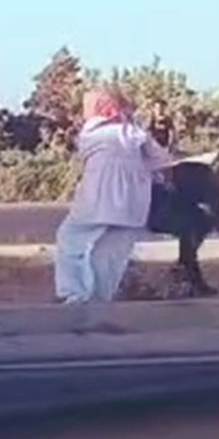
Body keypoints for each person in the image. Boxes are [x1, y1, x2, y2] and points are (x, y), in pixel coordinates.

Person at [55, 87, 171, 303]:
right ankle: (100, 300)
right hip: (134, 205)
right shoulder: (135, 133)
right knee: (111, 254)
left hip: (97, 200)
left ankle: (74, 294)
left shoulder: (89, 134)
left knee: (70, 240)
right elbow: (161, 160)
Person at [147, 150, 219, 296]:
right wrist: (168, 189)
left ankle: (184, 265)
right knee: (190, 227)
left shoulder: (216, 191)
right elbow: (162, 173)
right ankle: (193, 280)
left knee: (204, 221)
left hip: (178, 214)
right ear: (216, 166)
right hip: (153, 210)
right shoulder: (193, 171)